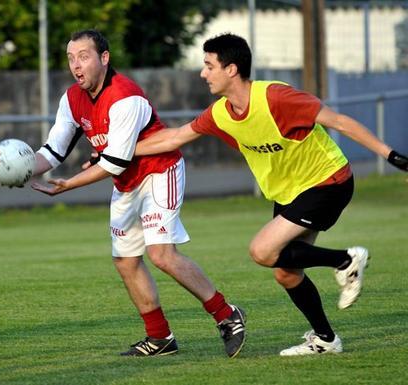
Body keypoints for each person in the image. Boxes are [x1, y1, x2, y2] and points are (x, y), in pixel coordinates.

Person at [135, 33, 408, 356]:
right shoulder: (221, 113)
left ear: (232, 69)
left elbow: (340, 122)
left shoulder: (276, 97)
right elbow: (174, 138)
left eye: (209, 66)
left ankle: (345, 260)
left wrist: (391, 156)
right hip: (290, 192)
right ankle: (325, 339)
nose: (202, 73)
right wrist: (118, 153)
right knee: (286, 272)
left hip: (327, 181)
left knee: (262, 251)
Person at [30, 29, 246, 358]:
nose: (76, 65)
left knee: (161, 255)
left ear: (104, 58)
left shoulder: (125, 96)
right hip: (127, 183)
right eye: (71, 58)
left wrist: (68, 185)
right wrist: (19, 171)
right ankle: (160, 337)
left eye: (84, 56)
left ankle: (227, 315)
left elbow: (114, 162)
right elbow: (53, 150)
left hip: (160, 171)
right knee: (126, 261)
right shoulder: (71, 98)